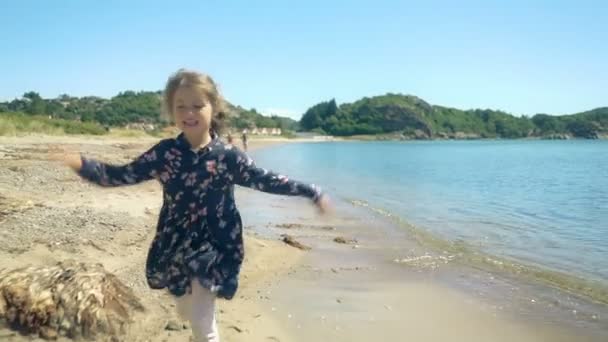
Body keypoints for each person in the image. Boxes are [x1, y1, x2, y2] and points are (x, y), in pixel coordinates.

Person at [54, 69, 330, 342]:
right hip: (175, 239)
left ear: (214, 108)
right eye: (181, 106)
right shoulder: (164, 153)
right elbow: (121, 175)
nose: (189, 112)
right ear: (171, 111)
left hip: (216, 241)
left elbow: (267, 181)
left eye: (198, 105)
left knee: (201, 320)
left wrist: (311, 191)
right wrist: (83, 165)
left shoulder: (228, 156)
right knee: (187, 307)